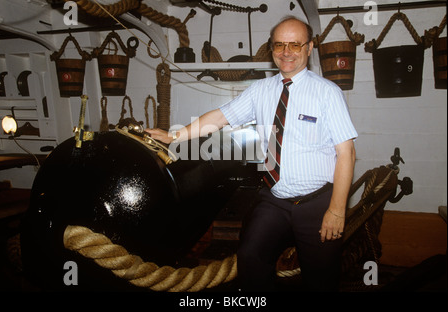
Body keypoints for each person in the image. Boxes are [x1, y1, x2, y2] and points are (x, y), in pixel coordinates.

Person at [146, 16, 357, 291]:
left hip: (317, 203)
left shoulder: (328, 93)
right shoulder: (260, 91)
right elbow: (220, 117)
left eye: (295, 45)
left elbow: (347, 154)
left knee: (321, 278)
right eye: (279, 45)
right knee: (250, 258)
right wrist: (174, 135)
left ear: (309, 47)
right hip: (275, 199)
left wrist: (337, 211)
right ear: (271, 48)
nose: (286, 52)